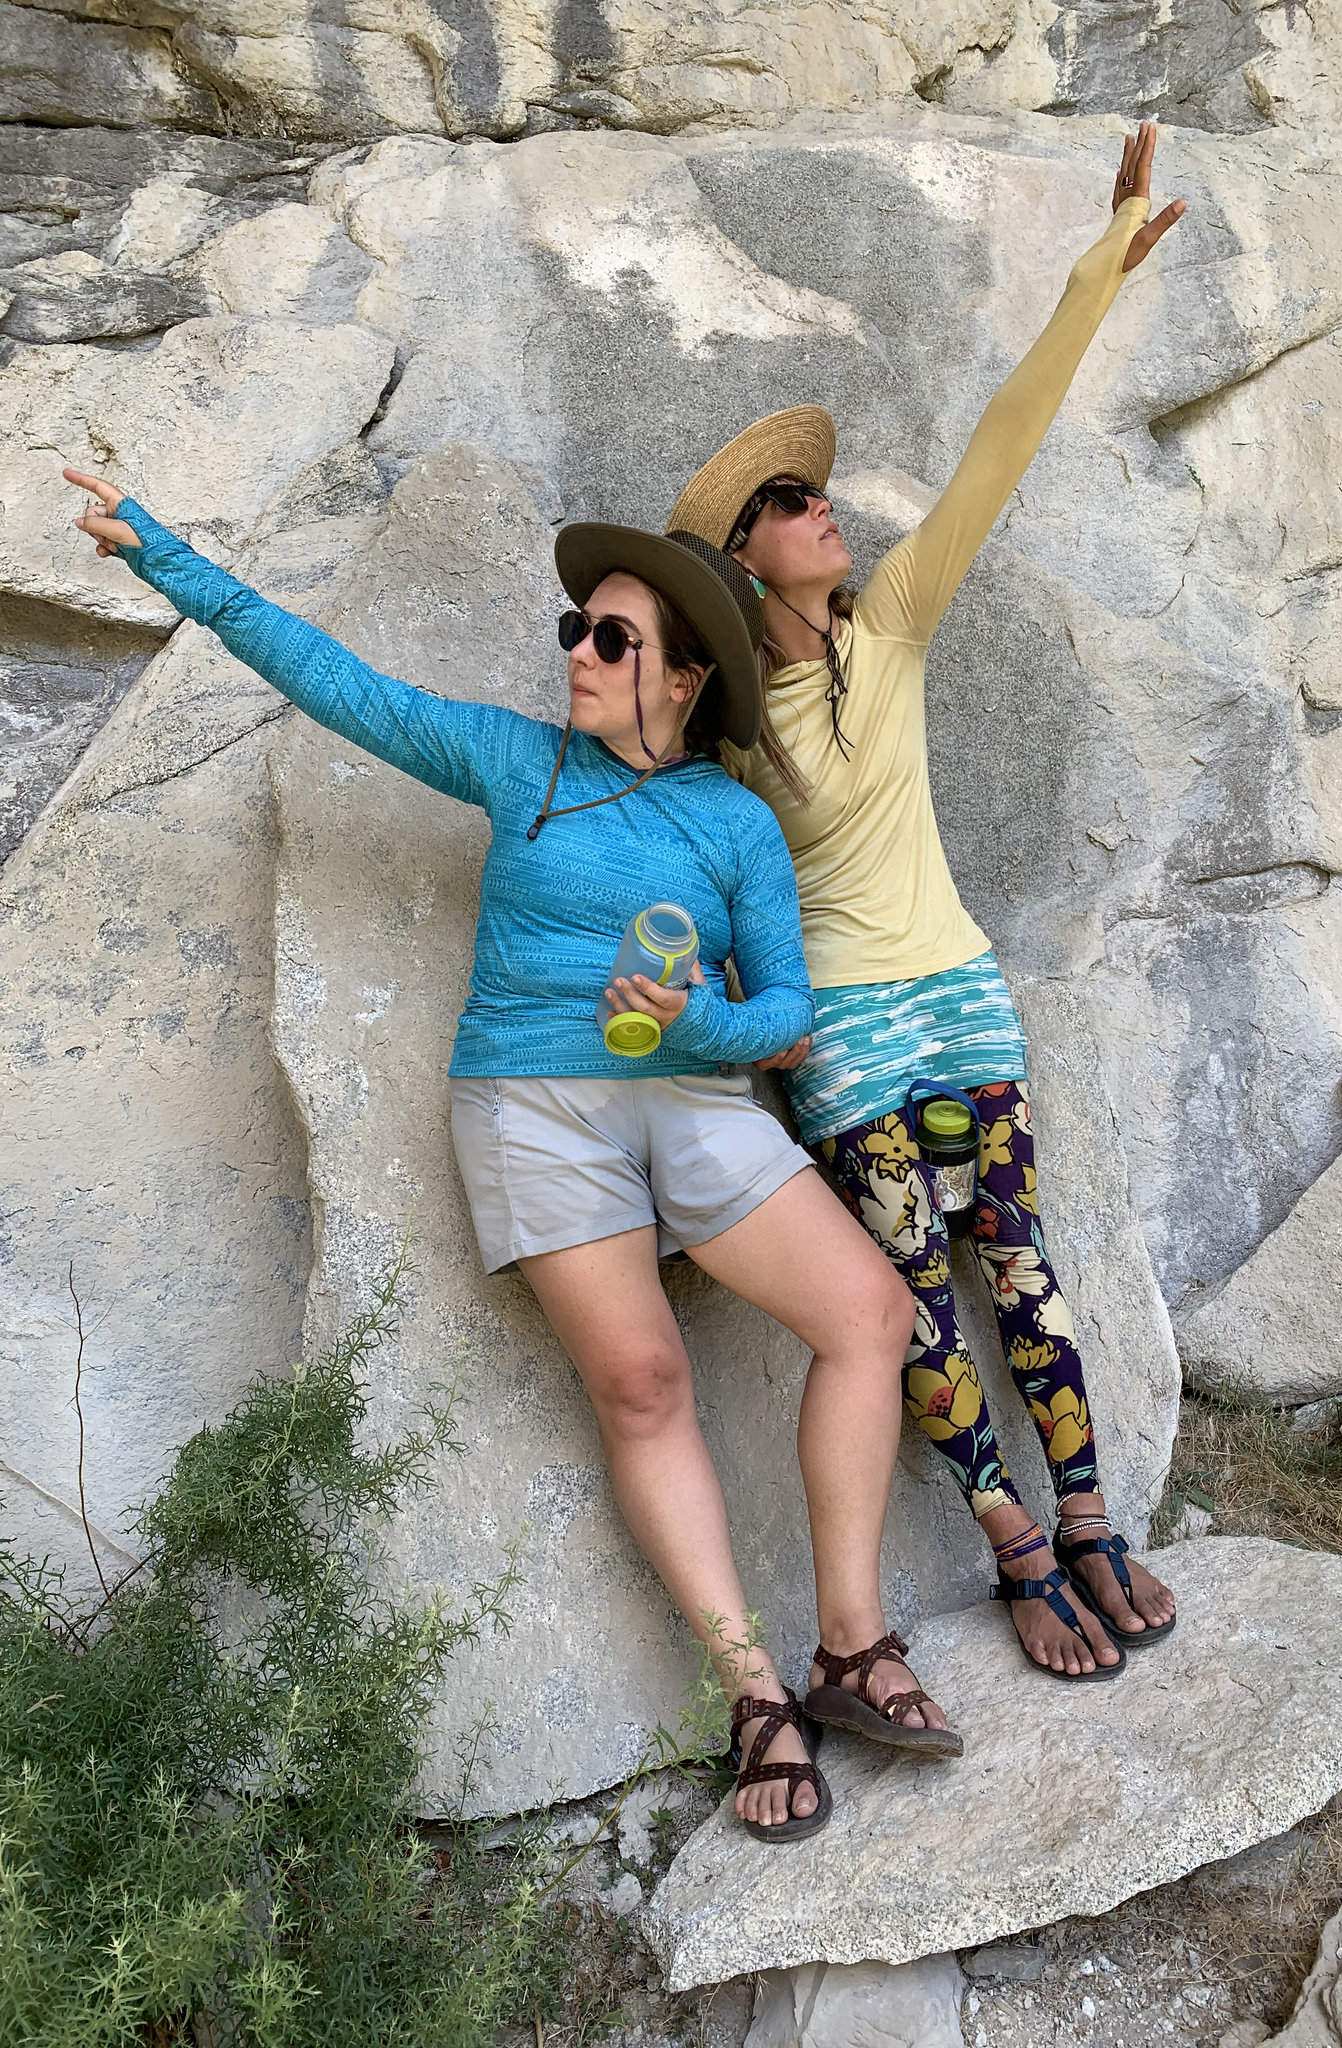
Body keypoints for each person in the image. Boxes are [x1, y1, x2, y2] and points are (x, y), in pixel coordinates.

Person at [65, 466, 963, 1838]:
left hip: (695, 1096)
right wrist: (166, 558)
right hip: (531, 1102)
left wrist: (693, 1015)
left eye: (612, 640)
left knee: (872, 1314)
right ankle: (753, 1698)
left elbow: (786, 1013)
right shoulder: (514, 760)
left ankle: (851, 1642)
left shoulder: (733, 822)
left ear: (683, 683)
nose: (579, 656)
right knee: (646, 1383)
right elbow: (337, 683)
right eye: (575, 630)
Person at [663, 125, 1185, 1681]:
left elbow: (999, 452)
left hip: (959, 994)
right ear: (744, 554)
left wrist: (1096, 269)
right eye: (789, 500)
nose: (825, 507)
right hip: (844, 1039)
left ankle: (1088, 1518)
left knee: (1017, 1266)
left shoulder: (891, 627)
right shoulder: (725, 719)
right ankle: (1012, 1552)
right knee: (917, 1302)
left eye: (818, 489)